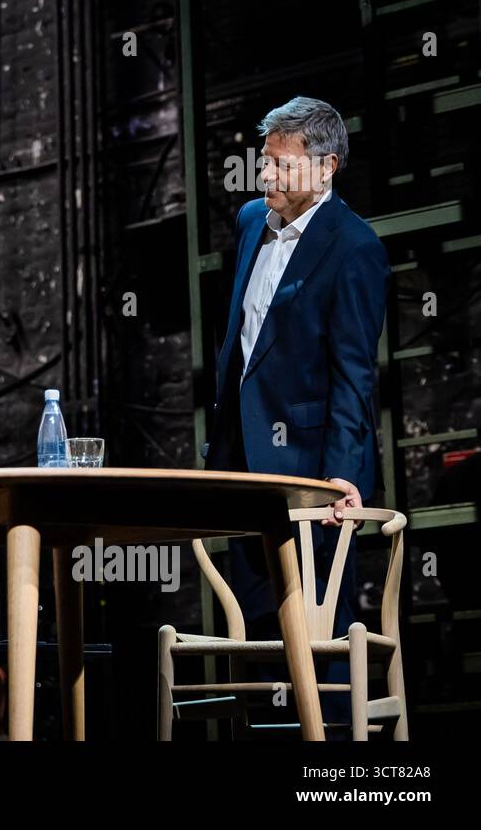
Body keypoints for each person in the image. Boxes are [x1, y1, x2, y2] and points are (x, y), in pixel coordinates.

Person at [202, 95, 390, 732]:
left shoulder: (355, 248)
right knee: (259, 648)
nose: (266, 177)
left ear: (326, 167)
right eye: (265, 163)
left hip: (308, 477)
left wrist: (341, 476)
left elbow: (353, 376)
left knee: (317, 652)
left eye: (282, 166)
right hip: (243, 470)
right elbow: (245, 345)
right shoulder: (251, 222)